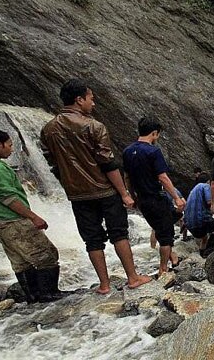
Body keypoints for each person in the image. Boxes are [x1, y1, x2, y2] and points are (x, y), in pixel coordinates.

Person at [41, 79, 151, 294]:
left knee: (92, 240)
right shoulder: (94, 126)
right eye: (91, 98)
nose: (94, 103)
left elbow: (53, 164)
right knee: (119, 233)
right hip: (105, 190)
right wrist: (124, 193)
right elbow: (108, 163)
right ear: (79, 99)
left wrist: (69, 185)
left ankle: (104, 285)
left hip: (77, 195)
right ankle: (133, 277)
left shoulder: (48, 130)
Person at [0, 128, 69, 303]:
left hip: (0, 221)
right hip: (13, 219)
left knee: (20, 261)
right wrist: (33, 216)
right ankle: (49, 294)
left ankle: (33, 296)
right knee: (46, 254)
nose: (11, 149)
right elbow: (8, 198)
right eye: (9, 145)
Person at [123, 117, 186, 276]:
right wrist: (177, 198)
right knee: (166, 235)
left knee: (163, 225)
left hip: (142, 200)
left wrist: (132, 196)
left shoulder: (127, 151)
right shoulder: (153, 151)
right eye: (157, 135)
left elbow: (127, 177)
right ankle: (163, 270)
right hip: (156, 198)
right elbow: (163, 177)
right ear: (154, 133)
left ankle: (173, 258)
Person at [184, 172, 214, 258]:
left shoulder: (192, 190)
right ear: (208, 181)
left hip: (190, 224)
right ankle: (209, 251)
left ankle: (202, 255)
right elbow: (209, 202)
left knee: (204, 237)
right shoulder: (205, 186)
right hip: (201, 220)